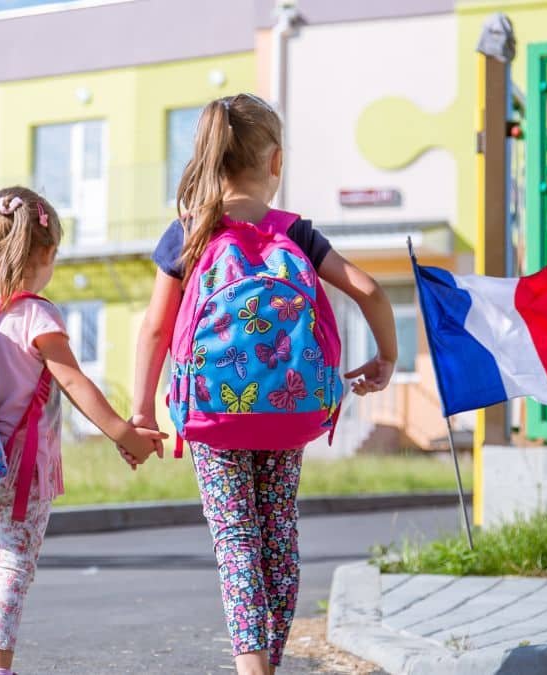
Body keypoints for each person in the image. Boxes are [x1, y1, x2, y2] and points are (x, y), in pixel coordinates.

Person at [128, 94, 398, 675]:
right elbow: (370, 290)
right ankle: (268, 662)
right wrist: (386, 357)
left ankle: (253, 667)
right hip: (287, 407)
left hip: (211, 413)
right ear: (275, 162)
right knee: (277, 534)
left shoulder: (189, 234)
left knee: (236, 540)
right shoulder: (295, 232)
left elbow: (155, 329)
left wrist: (141, 411)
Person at [0, 187, 163, 675]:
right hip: (23, 474)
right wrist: (125, 434)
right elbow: (74, 381)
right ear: (46, 254)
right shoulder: (36, 314)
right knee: (11, 570)